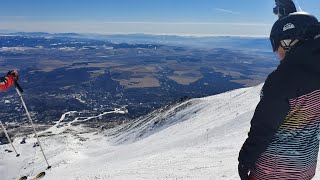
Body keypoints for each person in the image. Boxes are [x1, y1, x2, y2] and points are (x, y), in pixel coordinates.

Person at [238, 12, 320, 179]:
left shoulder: (283, 79)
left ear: (289, 43)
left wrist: (245, 159)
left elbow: (264, 127)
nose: (277, 52)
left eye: (277, 46)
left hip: (273, 171)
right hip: (305, 168)